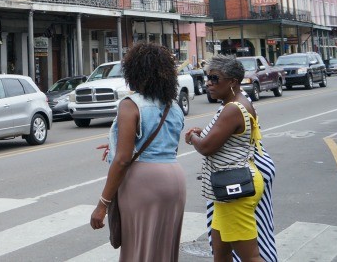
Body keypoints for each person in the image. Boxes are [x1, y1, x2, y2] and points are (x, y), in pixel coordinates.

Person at [89, 42, 186, 261]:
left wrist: (102, 205)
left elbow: (123, 160)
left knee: (139, 248)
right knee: (163, 249)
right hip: (174, 179)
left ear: (134, 71)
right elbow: (163, 143)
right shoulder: (173, 105)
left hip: (144, 182)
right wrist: (116, 144)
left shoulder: (130, 104)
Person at [185, 54, 265, 262]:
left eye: (214, 78)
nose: (208, 83)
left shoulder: (232, 109)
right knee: (221, 253)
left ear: (232, 82)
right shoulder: (238, 102)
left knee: (250, 257)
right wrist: (204, 133)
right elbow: (231, 138)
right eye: (207, 77)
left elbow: (206, 147)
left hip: (234, 187)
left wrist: (193, 137)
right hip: (228, 187)